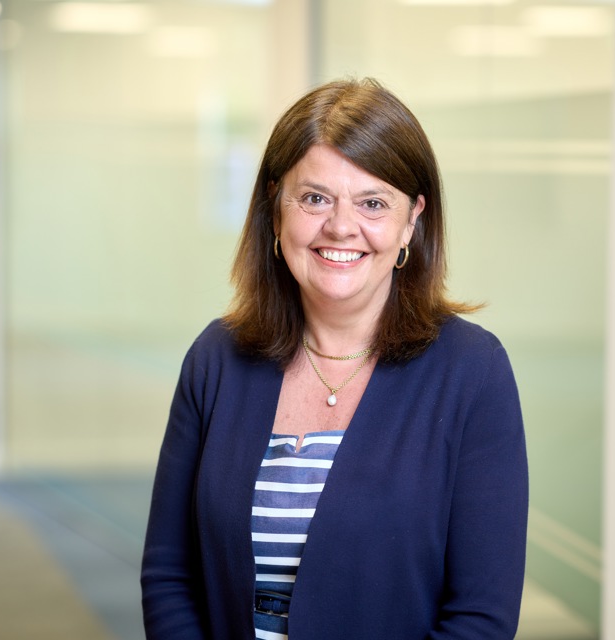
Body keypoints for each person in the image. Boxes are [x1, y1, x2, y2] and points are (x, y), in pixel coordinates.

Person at [141, 78, 528, 640]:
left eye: (373, 202)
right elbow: (170, 577)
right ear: (276, 208)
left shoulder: (472, 372)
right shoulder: (216, 360)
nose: (341, 226)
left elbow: (480, 618)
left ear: (411, 220)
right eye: (315, 197)